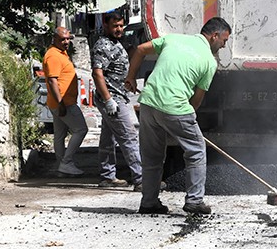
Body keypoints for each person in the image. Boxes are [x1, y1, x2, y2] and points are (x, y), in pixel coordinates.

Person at [125, 17, 231, 215]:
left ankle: (148, 202)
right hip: (175, 107)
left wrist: (130, 77)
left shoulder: (173, 39)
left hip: (148, 103)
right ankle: (194, 200)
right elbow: (196, 101)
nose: (224, 45)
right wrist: (186, 122)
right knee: (197, 151)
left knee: (152, 157)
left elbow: (139, 50)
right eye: (224, 40)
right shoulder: (209, 62)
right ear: (214, 36)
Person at [92, 11, 143, 189]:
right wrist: (108, 100)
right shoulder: (103, 45)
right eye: (115, 26)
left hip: (118, 95)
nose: (119, 29)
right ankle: (141, 179)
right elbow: (97, 73)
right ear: (106, 25)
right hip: (112, 98)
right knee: (129, 136)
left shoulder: (116, 43)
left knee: (109, 136)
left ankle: (107, 176)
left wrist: (128, 81)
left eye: (121, 26)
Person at [43, 27, 89, 176]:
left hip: (61, 101)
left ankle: (61, 166)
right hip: (64, 102)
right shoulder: (53, 56)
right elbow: (52, 81)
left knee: (60, 135)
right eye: (63, 39)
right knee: (81, 129)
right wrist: (61, 103)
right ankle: (66, 162)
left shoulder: (60, 53)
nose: (66, 42)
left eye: (68, 38)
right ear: (54, 39)